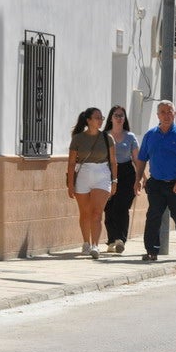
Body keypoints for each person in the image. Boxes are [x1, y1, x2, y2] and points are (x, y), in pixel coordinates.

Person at [135, 100, 176, 262]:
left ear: (174, 114)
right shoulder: (150, 135)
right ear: (157, 115)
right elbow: (141, 159)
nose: (166, 115)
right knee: (153, 216)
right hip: (156, 183)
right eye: (163, 112)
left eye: (170, 112)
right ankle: (151, 251)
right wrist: (138, 179)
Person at [67, 107, 117, 259]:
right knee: (85, 213)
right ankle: (86, 242)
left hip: (102, 174)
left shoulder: (107, 138)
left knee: (97, 212)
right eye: (97, 117)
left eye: (101, 117)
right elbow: (70, 163)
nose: (100, 120)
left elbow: (114, 161)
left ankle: (95, 245)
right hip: (83, 174)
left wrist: (114, 180)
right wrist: (70, 184)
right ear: (88, 120)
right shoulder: (78, 138)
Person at [103, 105, 140, 253]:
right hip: (107, 172)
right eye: (116, 115)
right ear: (111, 118)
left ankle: (120, 239)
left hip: (126, 173)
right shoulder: (104, 136)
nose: (119, 118)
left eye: (121, 116)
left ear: (125, 119)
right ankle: (112, 239)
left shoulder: (130, 137)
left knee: (122, 207)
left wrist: (141, 178)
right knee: (108, 208)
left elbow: (137, 159)